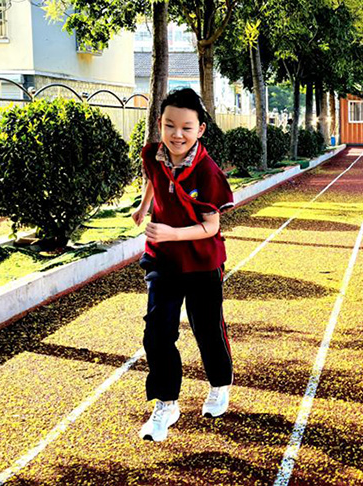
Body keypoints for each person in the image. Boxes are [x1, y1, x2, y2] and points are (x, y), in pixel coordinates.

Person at [130, 88, 235, 442]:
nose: (177, 134)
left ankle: (220, 384)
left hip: (203, 263)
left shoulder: (208, 173)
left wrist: (170, 232)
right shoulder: (152, 154)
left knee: (207, 329)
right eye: (169, 125)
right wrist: (144, 207)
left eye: (187, 128)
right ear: (159, 124)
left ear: (200, 129)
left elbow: (211, 227)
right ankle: (166, 402)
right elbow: (153, 180)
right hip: (163, 261)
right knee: (157, 332)